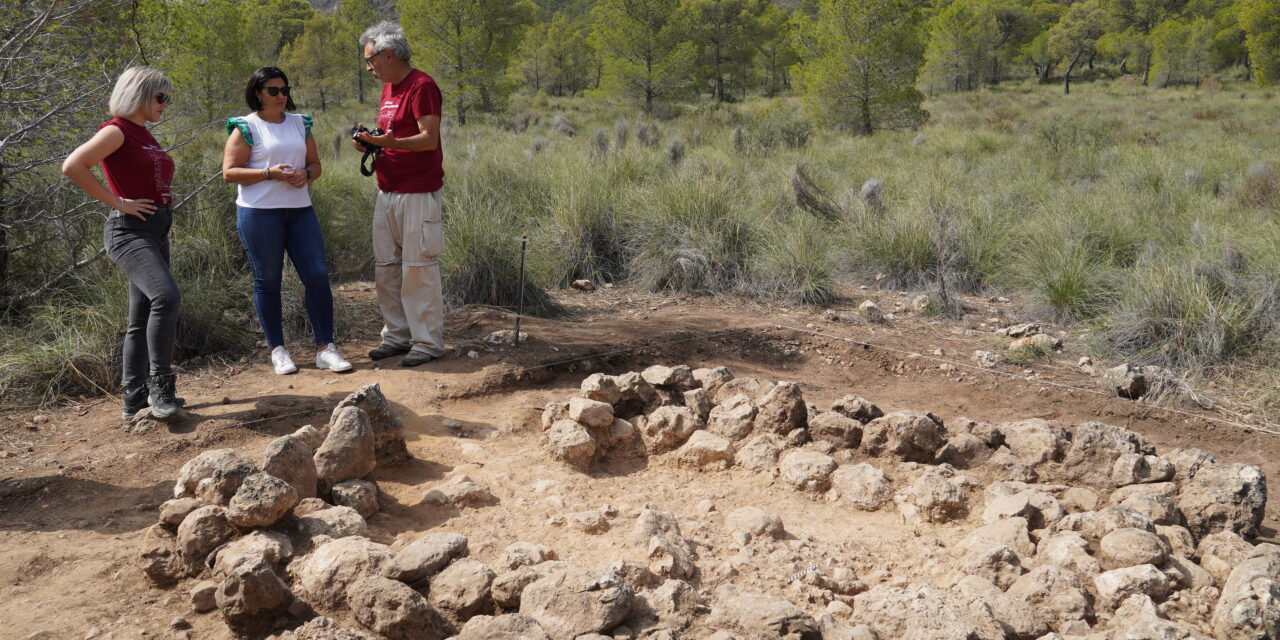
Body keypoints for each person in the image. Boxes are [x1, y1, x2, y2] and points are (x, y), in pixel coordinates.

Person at [61, 66, 183, 420]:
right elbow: (73, 166)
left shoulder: (143, 134)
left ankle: (134, 396)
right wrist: (120, 203)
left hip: (155, 231)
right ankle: (162, 388)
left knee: (141, 313)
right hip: (128, 231)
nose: (165, 104)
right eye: (161, 97)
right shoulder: (117, 131)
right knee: (166, 297)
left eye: (167, 98)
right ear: (140, 94)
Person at [221, 66, 352, 375]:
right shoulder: (245, 127)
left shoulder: (299, 123)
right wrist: (270, 173)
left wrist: (305, 175)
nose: (282, 96)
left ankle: (325, 348)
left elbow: (315, 165)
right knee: (268, 280)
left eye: (285, 90)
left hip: (299, 210)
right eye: (274, 91)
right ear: (257, 92)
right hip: (258, 213)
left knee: (317, 275)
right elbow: (229, 172)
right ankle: (278, 350)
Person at [354, 21, 446, 368]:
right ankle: (397, 336)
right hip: (387, 189)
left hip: (418, 191)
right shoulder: (389, 89)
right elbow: (392, 134)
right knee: (387, 268)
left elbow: (429, 138)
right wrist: (371, 144)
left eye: (370, 60)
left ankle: (427, 342)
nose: (369, 67)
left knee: (418, 268)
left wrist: (389, 142)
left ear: (387, 54)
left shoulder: (421, 85)